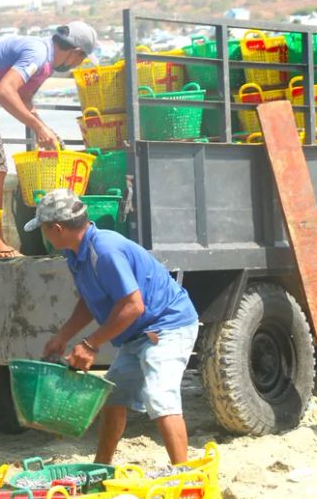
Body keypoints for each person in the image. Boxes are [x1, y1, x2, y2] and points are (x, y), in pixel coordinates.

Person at [29, 189, 199, 465]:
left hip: (167, 325)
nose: (44, 236)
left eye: (44, 230)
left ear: (57, 228)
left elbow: (133, 306)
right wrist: (63, 337)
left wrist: (90, 345)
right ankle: (101, 467)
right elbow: (89, 301)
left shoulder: (105, 251)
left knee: (159, 397)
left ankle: (186, 477)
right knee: (114, 398)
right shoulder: (76, 253)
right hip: (137, 333)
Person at [0, 22, 98, 257]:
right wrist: (36, 127)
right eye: (83, 59)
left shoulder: (45, 62)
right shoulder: (38, 52)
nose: (79, 64)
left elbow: (23, 96)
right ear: (76, 53)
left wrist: (45, 129)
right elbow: (5, 91)